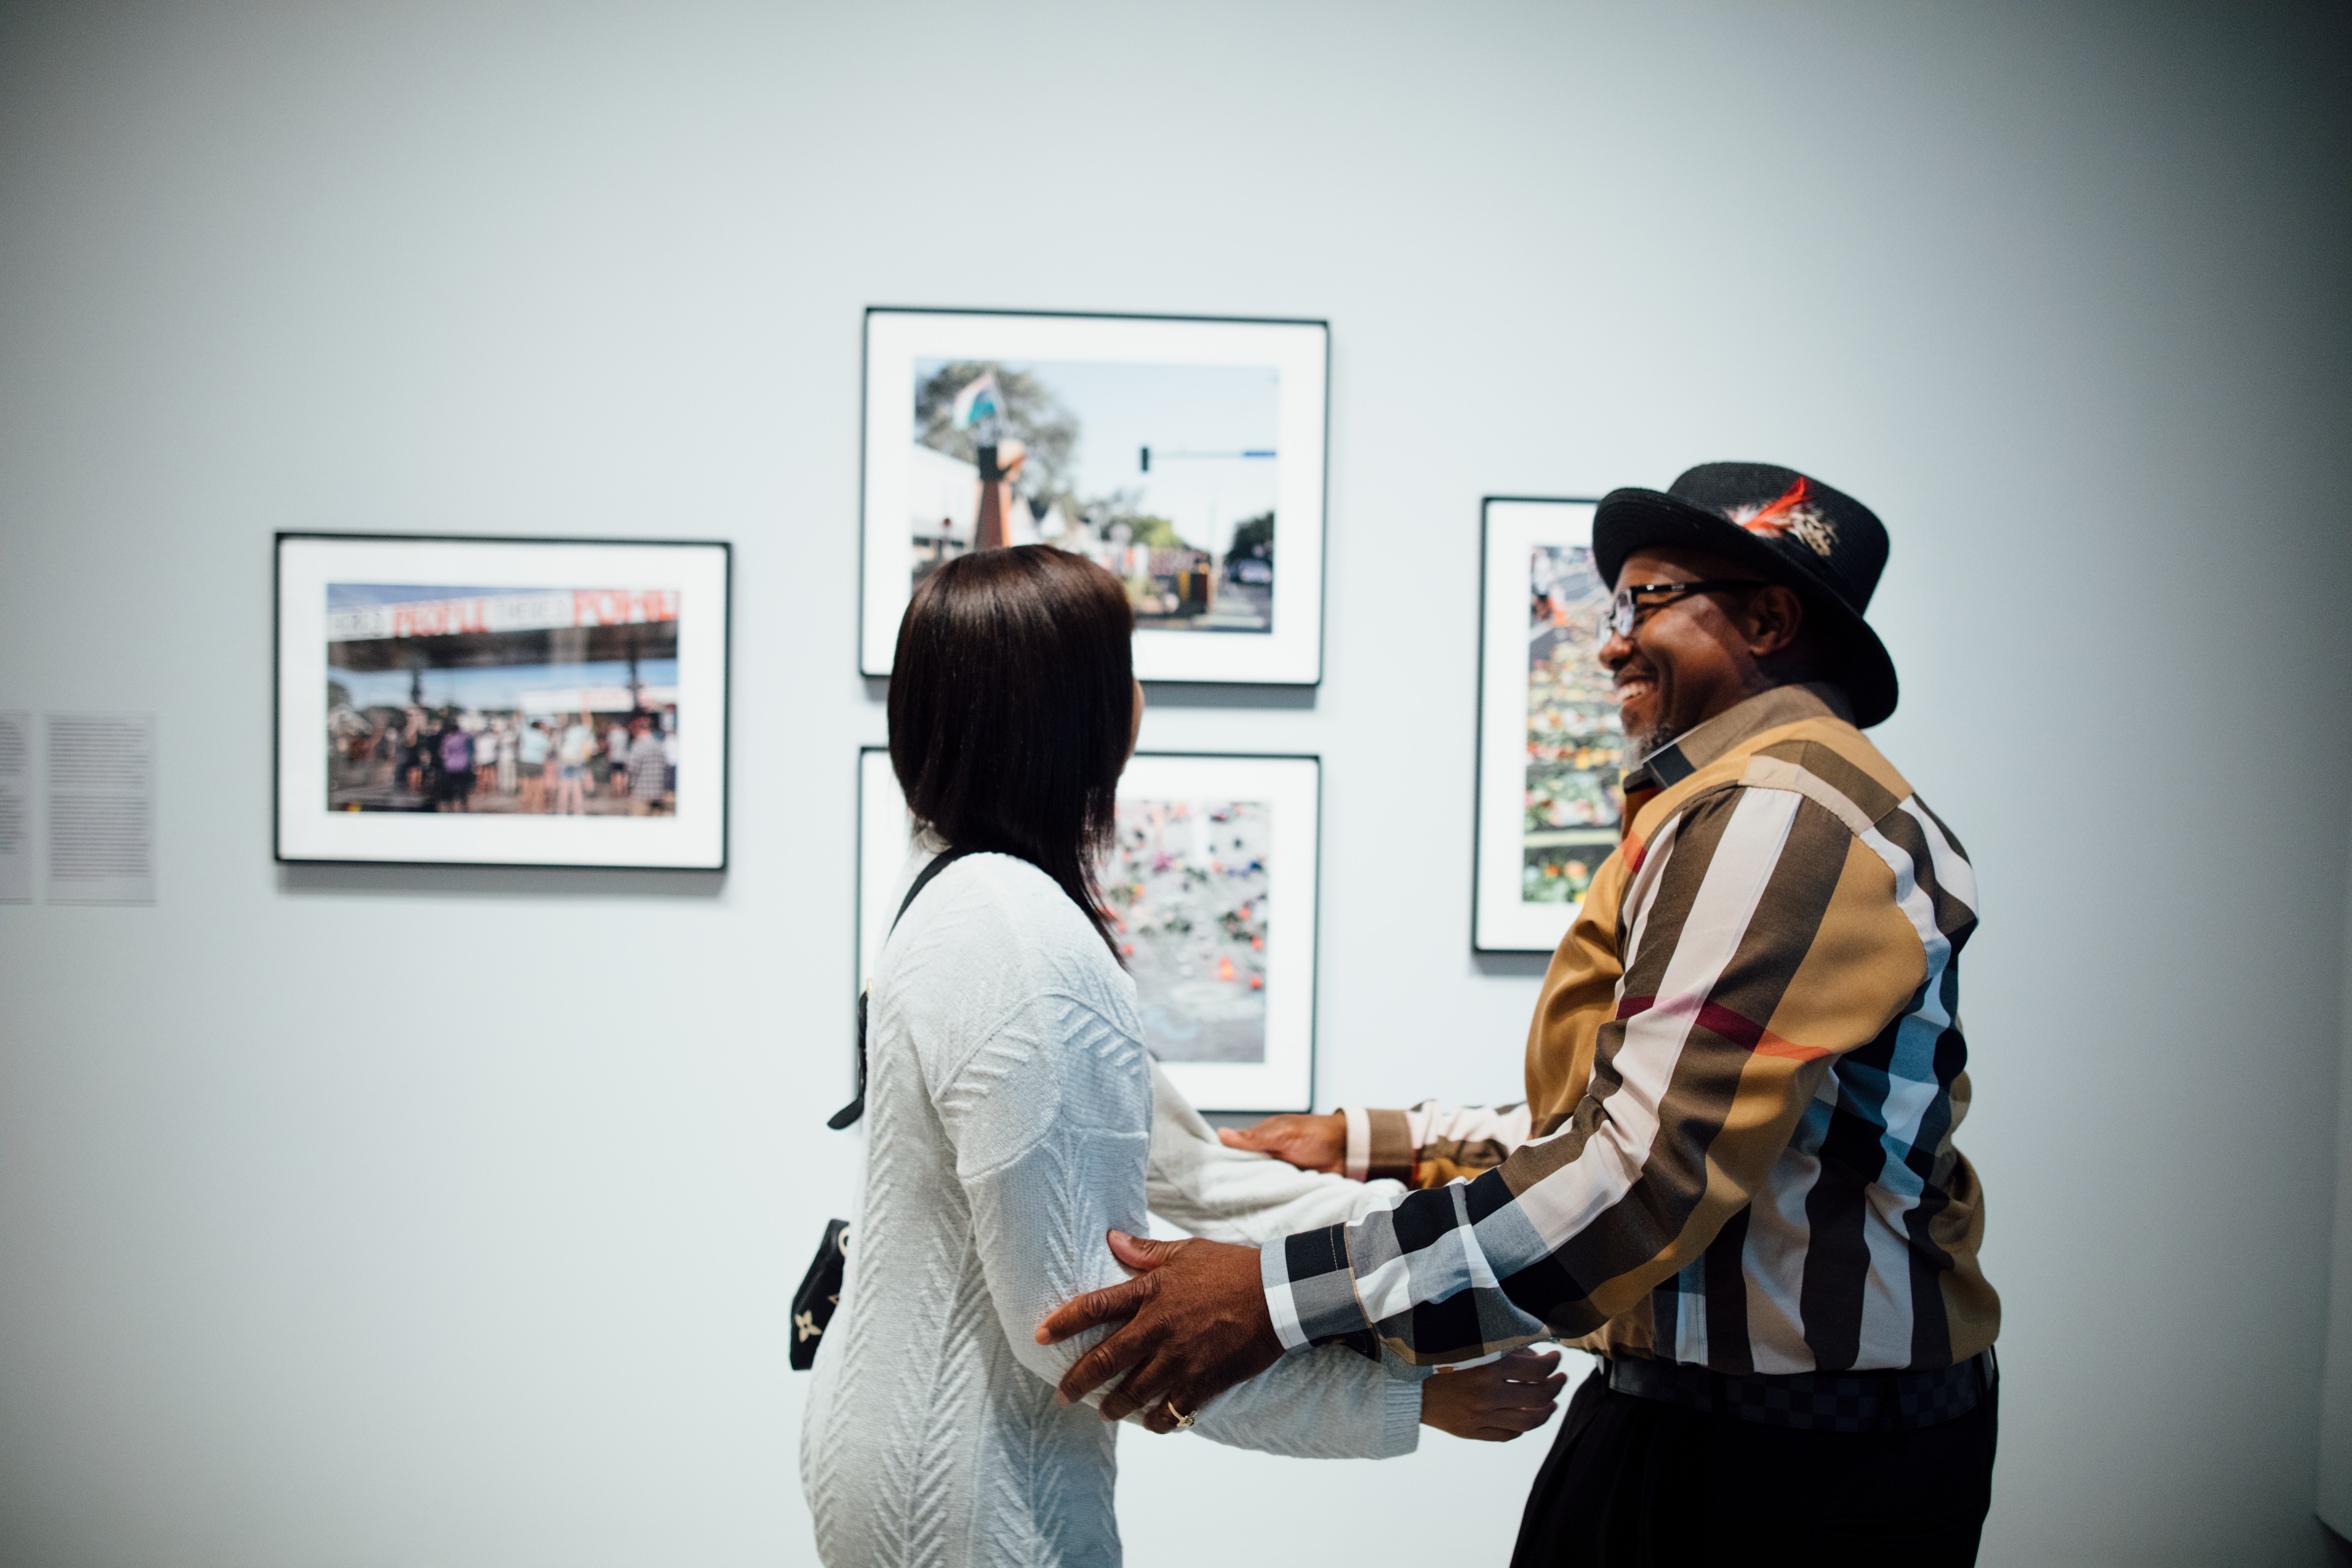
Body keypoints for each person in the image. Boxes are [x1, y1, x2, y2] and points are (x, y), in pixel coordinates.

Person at [1040, 464, 2002, 1563]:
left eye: (1643, 600)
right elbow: (1635, 1113)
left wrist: (1274, 1295)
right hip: (1725, 1425)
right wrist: (1371, 1144)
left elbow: (1635, 1180)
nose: (1606, 643)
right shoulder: (1746, 804)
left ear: (1769, 617)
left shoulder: (1778, 814)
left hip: (1787, 1467)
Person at [800, 546, 1562, 1568]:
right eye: (1123, 666)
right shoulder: (1024, 945)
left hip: (909, 1456)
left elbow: (1191, 1173)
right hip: (972, 1501)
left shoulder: (959, 897)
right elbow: (1086, 1329)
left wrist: (1443, 1238)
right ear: (1086, 711)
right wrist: (1405, 1395)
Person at [623, 713, 668, 816]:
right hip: (659, 796)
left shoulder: (638, 746)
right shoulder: (659, 746)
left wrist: (629, 788)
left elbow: (631, 768)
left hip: (642, 797)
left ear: (637, 730)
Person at [556, 712, 595, 815]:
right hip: (577, 760)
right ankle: (579, 812)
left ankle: (562, 812)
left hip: (565, 760)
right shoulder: (582, 730)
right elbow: (589, 726)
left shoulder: (566, 730)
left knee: (564, 787)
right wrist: (586, 712)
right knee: (577, 786)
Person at [517, 719, 550, 813]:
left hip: (527, 763)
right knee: (539, 789)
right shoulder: (543, 736)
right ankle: (540, 810)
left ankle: (527, 810)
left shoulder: (526, 733)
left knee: (527, 789)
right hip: (538, 763)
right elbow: (547, 749)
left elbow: (522, 724)